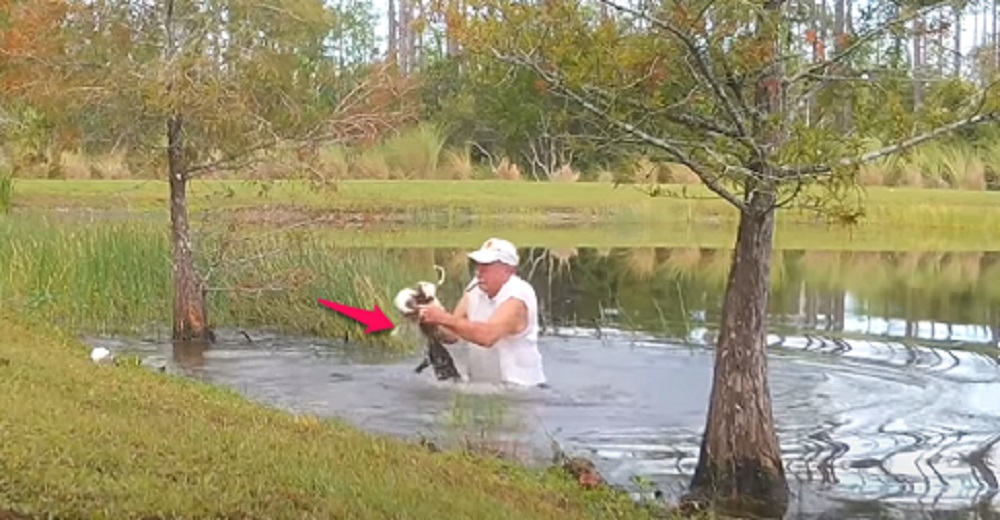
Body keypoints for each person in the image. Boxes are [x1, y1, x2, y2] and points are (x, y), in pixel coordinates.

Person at [417, 237, 547, 387]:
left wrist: (442, 317)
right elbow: (453, 335)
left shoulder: (517, 297)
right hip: (483, 387)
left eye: (487, 266)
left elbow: (487, 337)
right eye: (479, 265)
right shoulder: (475, 288)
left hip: (521, 390)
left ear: (509, 270)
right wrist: (428, 318)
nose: (479, 272)